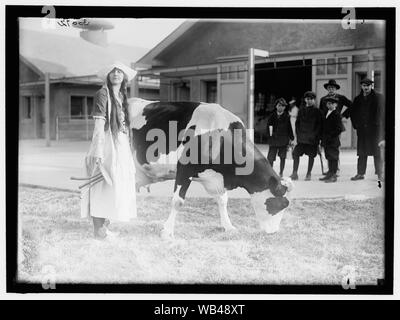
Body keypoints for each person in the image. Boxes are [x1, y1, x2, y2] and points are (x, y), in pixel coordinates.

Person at [81, 62, 138, 239]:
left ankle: (104, 227)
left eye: (119, 71)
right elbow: (99, 124)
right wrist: (97, 151)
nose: (116, 74)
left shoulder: (120, 95)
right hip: (106, 142)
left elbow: (124, 125)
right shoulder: (103, 93)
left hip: (120, 143)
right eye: (113, 71)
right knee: (102, 183)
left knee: (117, 185)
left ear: (124, 77)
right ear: (108, 75)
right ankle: (99, 230)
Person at [349, 78, 385, 181]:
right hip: (362, 131)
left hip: (375, 130)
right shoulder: (357, 99)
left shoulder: (379, 97)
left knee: (377, 153)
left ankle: (380, 174)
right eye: (364, 85)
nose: (366, 87)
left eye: (368, 85)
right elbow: (353, 112)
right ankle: (360, 174)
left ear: (371, 86)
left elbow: (383, 113)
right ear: (361, 86)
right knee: (361, 153)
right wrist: (356, 125)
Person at [290, 91, 323, 181]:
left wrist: (316, 136)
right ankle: (294, 173)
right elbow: (297, 124)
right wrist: (298, 135)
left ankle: (308, 173)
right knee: (296, 153)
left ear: (314, 100)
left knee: (311, 155)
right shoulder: (301, 110)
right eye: (307, 99)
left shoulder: (318, 112)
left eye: (311, 99)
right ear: (305, 100)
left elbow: (319, 126)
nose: (309, 101)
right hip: (302, 138)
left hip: (312, 139)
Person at [266, 98, 294, 177]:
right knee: (271, 158)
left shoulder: (287, 116)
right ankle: (270, 172)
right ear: (276, 106)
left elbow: (289, 128)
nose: (280, 107)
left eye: (282, 106)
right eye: (279, 105)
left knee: (282, 157)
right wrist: (269, 137)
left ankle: (281, 172)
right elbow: (268, 127)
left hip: (283, 140)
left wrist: (291, 138)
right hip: (273, 140)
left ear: (285, 107)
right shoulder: (272, 116)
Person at [319, 96, 344, 183]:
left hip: (333, 140)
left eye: (332, 103)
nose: (330, 105)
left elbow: (339, 129)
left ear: (336, 105)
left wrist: (331, 136)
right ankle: (329, 173)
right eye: (328, 103)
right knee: (328, 156)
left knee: (334, 157)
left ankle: (334, 175)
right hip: (326, 140)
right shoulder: (326, 113)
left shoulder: (336, 114)